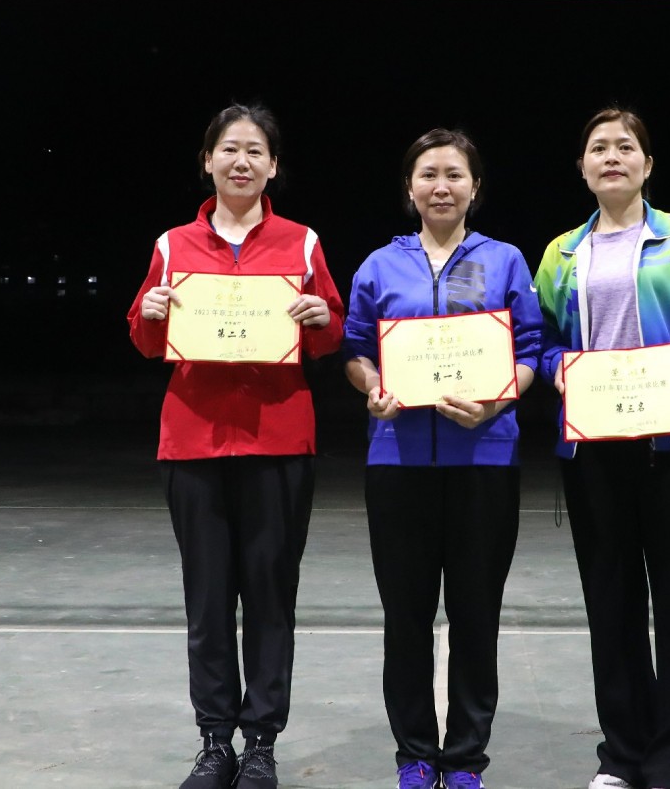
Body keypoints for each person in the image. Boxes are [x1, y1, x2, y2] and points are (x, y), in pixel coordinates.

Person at [126, 103, 345, 789]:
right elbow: (145, 337)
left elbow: (332, 333)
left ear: (273, 166)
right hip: (193, 441)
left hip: (278, 438)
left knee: (271, 597)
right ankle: (215, 742)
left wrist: (320, 317)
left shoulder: (302, 242)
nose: (241, 161)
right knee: (208, 600)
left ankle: (261, 744)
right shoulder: (173, 244)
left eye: (255, 150)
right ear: (208, 161)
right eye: (229, 149)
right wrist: (149, 314)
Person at [533, 107, 670, 789]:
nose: (612, 157)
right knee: (612, 604)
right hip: (594, 449)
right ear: (582, 168)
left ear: (647, 165)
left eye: (625, 146)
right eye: (598, 148)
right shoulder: (562, 252)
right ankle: (624, 755)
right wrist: (557, 368)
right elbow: (541, 340)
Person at [342, 128, 544, 789]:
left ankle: (464, 758)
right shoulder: (379, 265)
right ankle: (415, 754)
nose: (441, 186)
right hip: (397, 461)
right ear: (409, 187)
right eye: (428, 174)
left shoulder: (505, 260)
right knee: (405, 616)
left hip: (484, 459)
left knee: (476, 614)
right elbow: (355, 348)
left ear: (475, 187)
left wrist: (495, 403)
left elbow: (530, 352)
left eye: (454, 174)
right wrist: (373, 384)